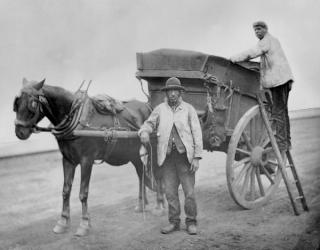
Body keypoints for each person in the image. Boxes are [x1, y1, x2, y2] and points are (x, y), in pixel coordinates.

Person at [138, 77, 203, 235]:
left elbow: (197, 134)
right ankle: (174, 222)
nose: (172, 94)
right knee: (170, 193)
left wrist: (196, 157)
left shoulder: (188, 109)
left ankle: (191, 222)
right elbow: (149, 123)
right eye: (169, 91)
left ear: (180, 92)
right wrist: (145, 131)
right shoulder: (160, 109)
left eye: (175, 91)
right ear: (166, 93)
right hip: (166, 159)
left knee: (189, 193)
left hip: (185, 159)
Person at [230, 21, 294, 154]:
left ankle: (282, 144)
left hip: (279, 81)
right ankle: (286, 142)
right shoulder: (272, 40)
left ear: (265, 29)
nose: (257, 32)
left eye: (259, 29)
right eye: (255, 30)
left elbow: (252, 53)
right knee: (282, 111)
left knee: (278, 112)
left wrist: (233, 59)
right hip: (283, 79)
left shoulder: (267, 40)